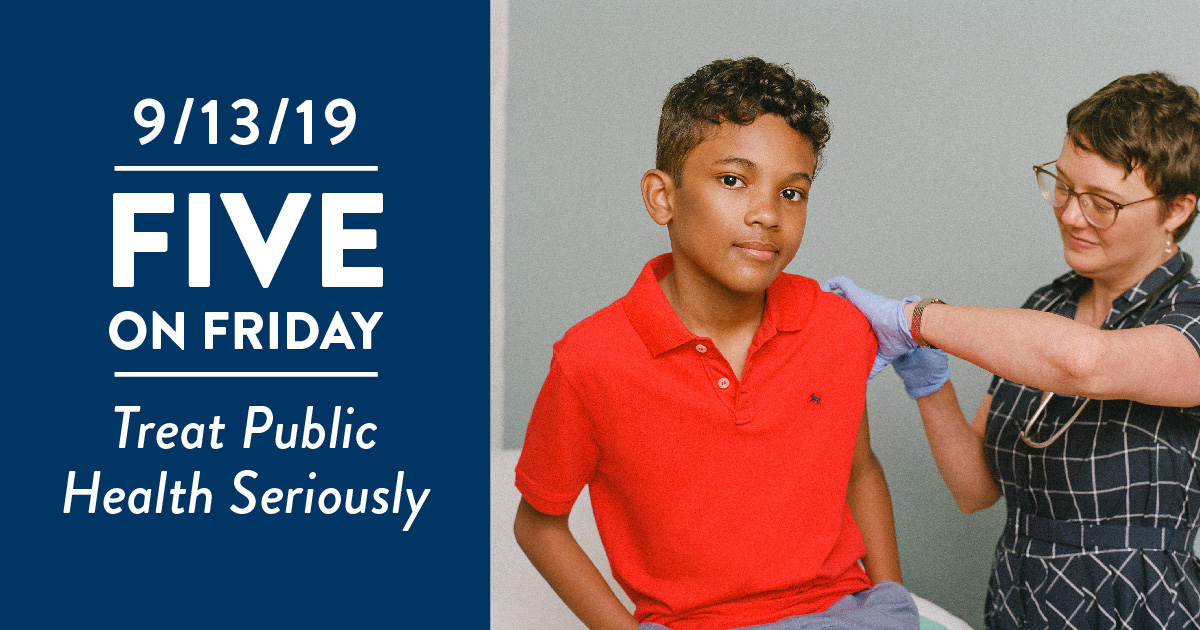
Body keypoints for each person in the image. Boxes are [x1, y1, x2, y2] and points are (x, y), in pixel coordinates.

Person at [513, 58, 919, 630]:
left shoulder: (836, 327)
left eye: (793, 193)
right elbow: (538, 523)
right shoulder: (591, 359)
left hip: (844, 614)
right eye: (733, 180)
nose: (767, 214)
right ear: (662, 197)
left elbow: (860, 470)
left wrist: (890, 597)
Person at [828, 71, 1200, 629]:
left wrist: (916, 319)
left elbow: (1086, 362)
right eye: (1064, 185)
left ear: (1176, 209)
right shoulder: (1046, 306)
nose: (1071, 214)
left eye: (1102, 202)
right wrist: (928, 381)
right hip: (1022, 599)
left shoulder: (1190, 316)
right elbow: (976, 489)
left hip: (1141, 608)